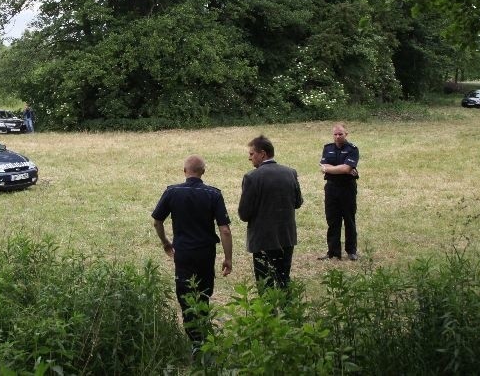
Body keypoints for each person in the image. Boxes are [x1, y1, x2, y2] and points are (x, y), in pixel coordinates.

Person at [151, 155, 233, 345]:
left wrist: (165, 242)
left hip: (183, 253)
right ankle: (203, 338)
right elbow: (225, 230)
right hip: (205, 252)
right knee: (203, 294)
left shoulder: (172, 192)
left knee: (185, 295)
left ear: (185, 171)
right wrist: (228, 258)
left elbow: (157, 221)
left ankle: (195, 340)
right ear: (203, 172)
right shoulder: (214, 194)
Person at [238, 135, 303, 290]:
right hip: (286, 237)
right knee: (284, 281)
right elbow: (298, 202)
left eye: (251, 154)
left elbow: (244, 213)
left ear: (263, 154)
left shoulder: (252, 177)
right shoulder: (290, 173)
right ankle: (287, 313)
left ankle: (269, 314)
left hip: (263, 239)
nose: (250, 158)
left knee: (265, 284)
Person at [318, 123, 360, 261]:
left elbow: (346, 169)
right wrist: (341, 168)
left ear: (346, 134)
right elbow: (325, 166)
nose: (337, 137)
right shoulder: (327, 148)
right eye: (335, 134)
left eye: (340, 134)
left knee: (349, 219)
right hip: (331, 188)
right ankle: (333, 252)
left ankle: (351, 251)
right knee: (332, 220)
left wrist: (329, 169)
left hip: (347, 187)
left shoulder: (352, 149)